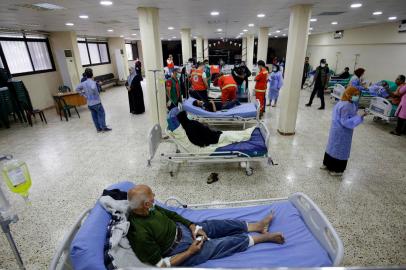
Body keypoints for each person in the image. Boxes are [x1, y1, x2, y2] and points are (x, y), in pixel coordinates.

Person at [127, 184, 285, 267]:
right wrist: (190, 252)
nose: (155, 197)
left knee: (218, 225)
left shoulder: (150, 209)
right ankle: (261, 238)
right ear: (146, 204)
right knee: (222, 244)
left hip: (184, 231)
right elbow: (161, 265)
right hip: (180, 250)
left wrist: (192, 226)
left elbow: (172, 215)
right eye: (152, 196)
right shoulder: (140, 234)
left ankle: (258, 226)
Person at [321, 86, 367, 176]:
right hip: (343, 131)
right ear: (349, 94)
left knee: (332, 146)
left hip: (335, 129)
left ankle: (327, 164)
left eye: (358, 95)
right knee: (340, 149)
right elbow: (345, 122)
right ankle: (336, 169)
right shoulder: (347, 105)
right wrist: (360, 117)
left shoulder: (341, 102)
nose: (357, 97)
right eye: (355, 95)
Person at [76, 68, 111, 132]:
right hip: (96, 102)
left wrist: (84, 95)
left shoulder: (83, 83)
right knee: (101, 114)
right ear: (92, 74)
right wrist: (96, 93)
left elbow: (77, 88)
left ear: (86, 75)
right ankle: (104, 127)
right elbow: (94, 90)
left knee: (94, 116)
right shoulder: (92, 83)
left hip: (89, 103)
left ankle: (98, 129)